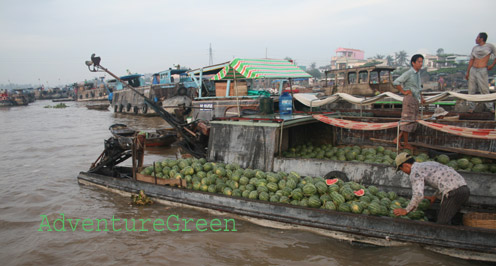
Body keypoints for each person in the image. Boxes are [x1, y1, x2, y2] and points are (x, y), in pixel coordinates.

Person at [393, 153, 470, 224]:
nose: (404, 172)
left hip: (453, 193)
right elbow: (443, 179)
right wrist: (435, 196)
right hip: (464, 189)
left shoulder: (415, 172)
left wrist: (406, 210)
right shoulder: (428, 164)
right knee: (454, 220)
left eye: (401, 169)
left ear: (406, 165)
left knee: (442, 224)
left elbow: (418, 195)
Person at [392, 54, 426, 150]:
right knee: (407, 121)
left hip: (415, 99)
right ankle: (404, 142)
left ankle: (398, 139)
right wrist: (403, 91)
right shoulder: (409, 73)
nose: (421, 64)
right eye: (419, 62)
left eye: (421, 62)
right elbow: (396, 82)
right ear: (413, 63)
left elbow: (418, 88)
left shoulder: (418, 74)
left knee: (411, 121)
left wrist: (421, 98)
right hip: (409, 99)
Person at [465, 32, 496, 113]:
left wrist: (492, 65)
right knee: (471, 89)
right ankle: (471, 108)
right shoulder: (475, 48)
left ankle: (490, 108)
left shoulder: (490, 47)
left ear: (481, 39)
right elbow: (471, 60)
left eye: (477, 37)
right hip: (473, 70)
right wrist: (468, 72)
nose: (476, 39)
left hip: (482, 70)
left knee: (484, 89)